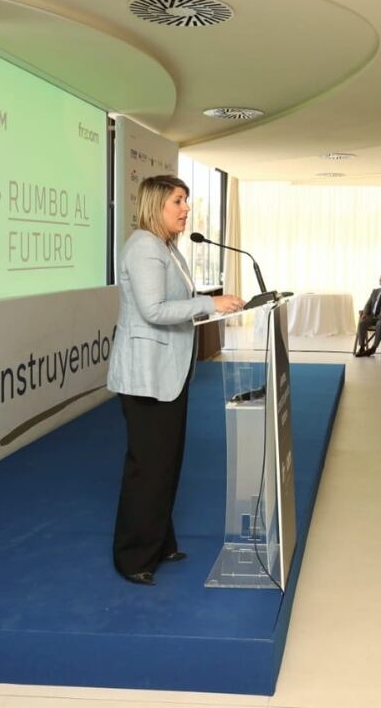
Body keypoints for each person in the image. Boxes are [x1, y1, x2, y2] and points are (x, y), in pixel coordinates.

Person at [106, 175, 245, 586]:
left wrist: (215, 306)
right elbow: (153, 309)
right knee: (148, 468)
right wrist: (208, 302)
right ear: (156, 205)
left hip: (168, 373)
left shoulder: (167, 247)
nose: (186, 209)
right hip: (147, 377)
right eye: (178, 201)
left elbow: (178, 304)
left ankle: (159, 543)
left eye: (186, 201)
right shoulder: (145, 247)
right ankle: (132, 557)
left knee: (165, 463)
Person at [355, 273, 381, 356]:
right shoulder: (375, 291)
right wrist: (365, 313)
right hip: (372, 316)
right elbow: (368, 304)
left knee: (380, 324)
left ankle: (373, 348)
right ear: (379, 283)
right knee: (361, 323)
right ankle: (362, 347)